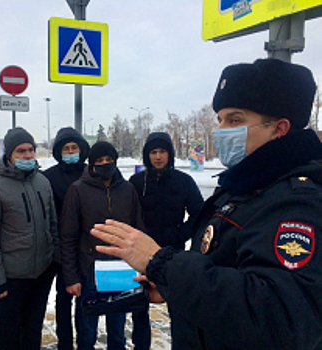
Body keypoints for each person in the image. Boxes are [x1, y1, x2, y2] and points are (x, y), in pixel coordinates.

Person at [91, 58, 322, 349]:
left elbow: (280, 320)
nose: (221, 130)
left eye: (235, 120)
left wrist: (164, 264)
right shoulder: (243, 187)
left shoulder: (295, 204)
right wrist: (172, 283)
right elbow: (222, 269)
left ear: (280, 128)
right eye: (220, 120)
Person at [0, 127, 58, 350]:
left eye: (31, 150)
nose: (28, 155)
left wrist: (54, 259)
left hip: (41, 273)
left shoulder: (42, 182)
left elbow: (52, 225)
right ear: (9, 155)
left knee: (33, 328)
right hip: (11, 278)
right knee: (9, 332)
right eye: (21, 151)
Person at [60, 141, 145, 350]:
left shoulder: (127, 189)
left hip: (121, 270)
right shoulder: (77, 190)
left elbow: (137, 230)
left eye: (109, 160)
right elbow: (68, 236)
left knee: (117, 332)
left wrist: (140, 267)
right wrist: (71, 277)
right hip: (89, 270)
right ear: (91, 164)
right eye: (99, 161)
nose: (105, 164)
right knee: (87, 333)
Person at [129, 131, 204, 349]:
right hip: (142, 255)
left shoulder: (184, 182)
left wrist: (181, 234)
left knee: (178, 308)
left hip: (174, 254)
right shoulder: (136, 182)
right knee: (139, 307)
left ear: (169, 154)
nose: (158, 156)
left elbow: (199, 213)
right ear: (147, 156)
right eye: (153, 152)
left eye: (162, 151)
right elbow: (128, 213)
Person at [43, 127, 90, 350]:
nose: (71, 151)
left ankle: (84, 342)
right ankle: (64, 343)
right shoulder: (49, 177)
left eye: (74, 147)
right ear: (58, 152)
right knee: (63, 299)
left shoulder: (91, 173)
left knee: (84, 301)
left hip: (87, 249)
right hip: (61, 250)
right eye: (66, 148)